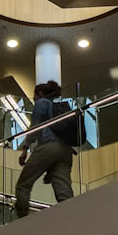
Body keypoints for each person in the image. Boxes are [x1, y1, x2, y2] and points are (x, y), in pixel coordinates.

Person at [13, 81, 81, 216]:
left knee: (23, 185)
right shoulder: (58, 107)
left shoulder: (42, 103)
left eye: (34, 95)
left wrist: (25, 148)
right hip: (66, 151)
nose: (34, 98)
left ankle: (22, 220)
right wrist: (50, 171)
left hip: (49, 145)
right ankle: (72, 218)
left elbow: (35, 126)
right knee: (64, 193)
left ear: (39, 94)